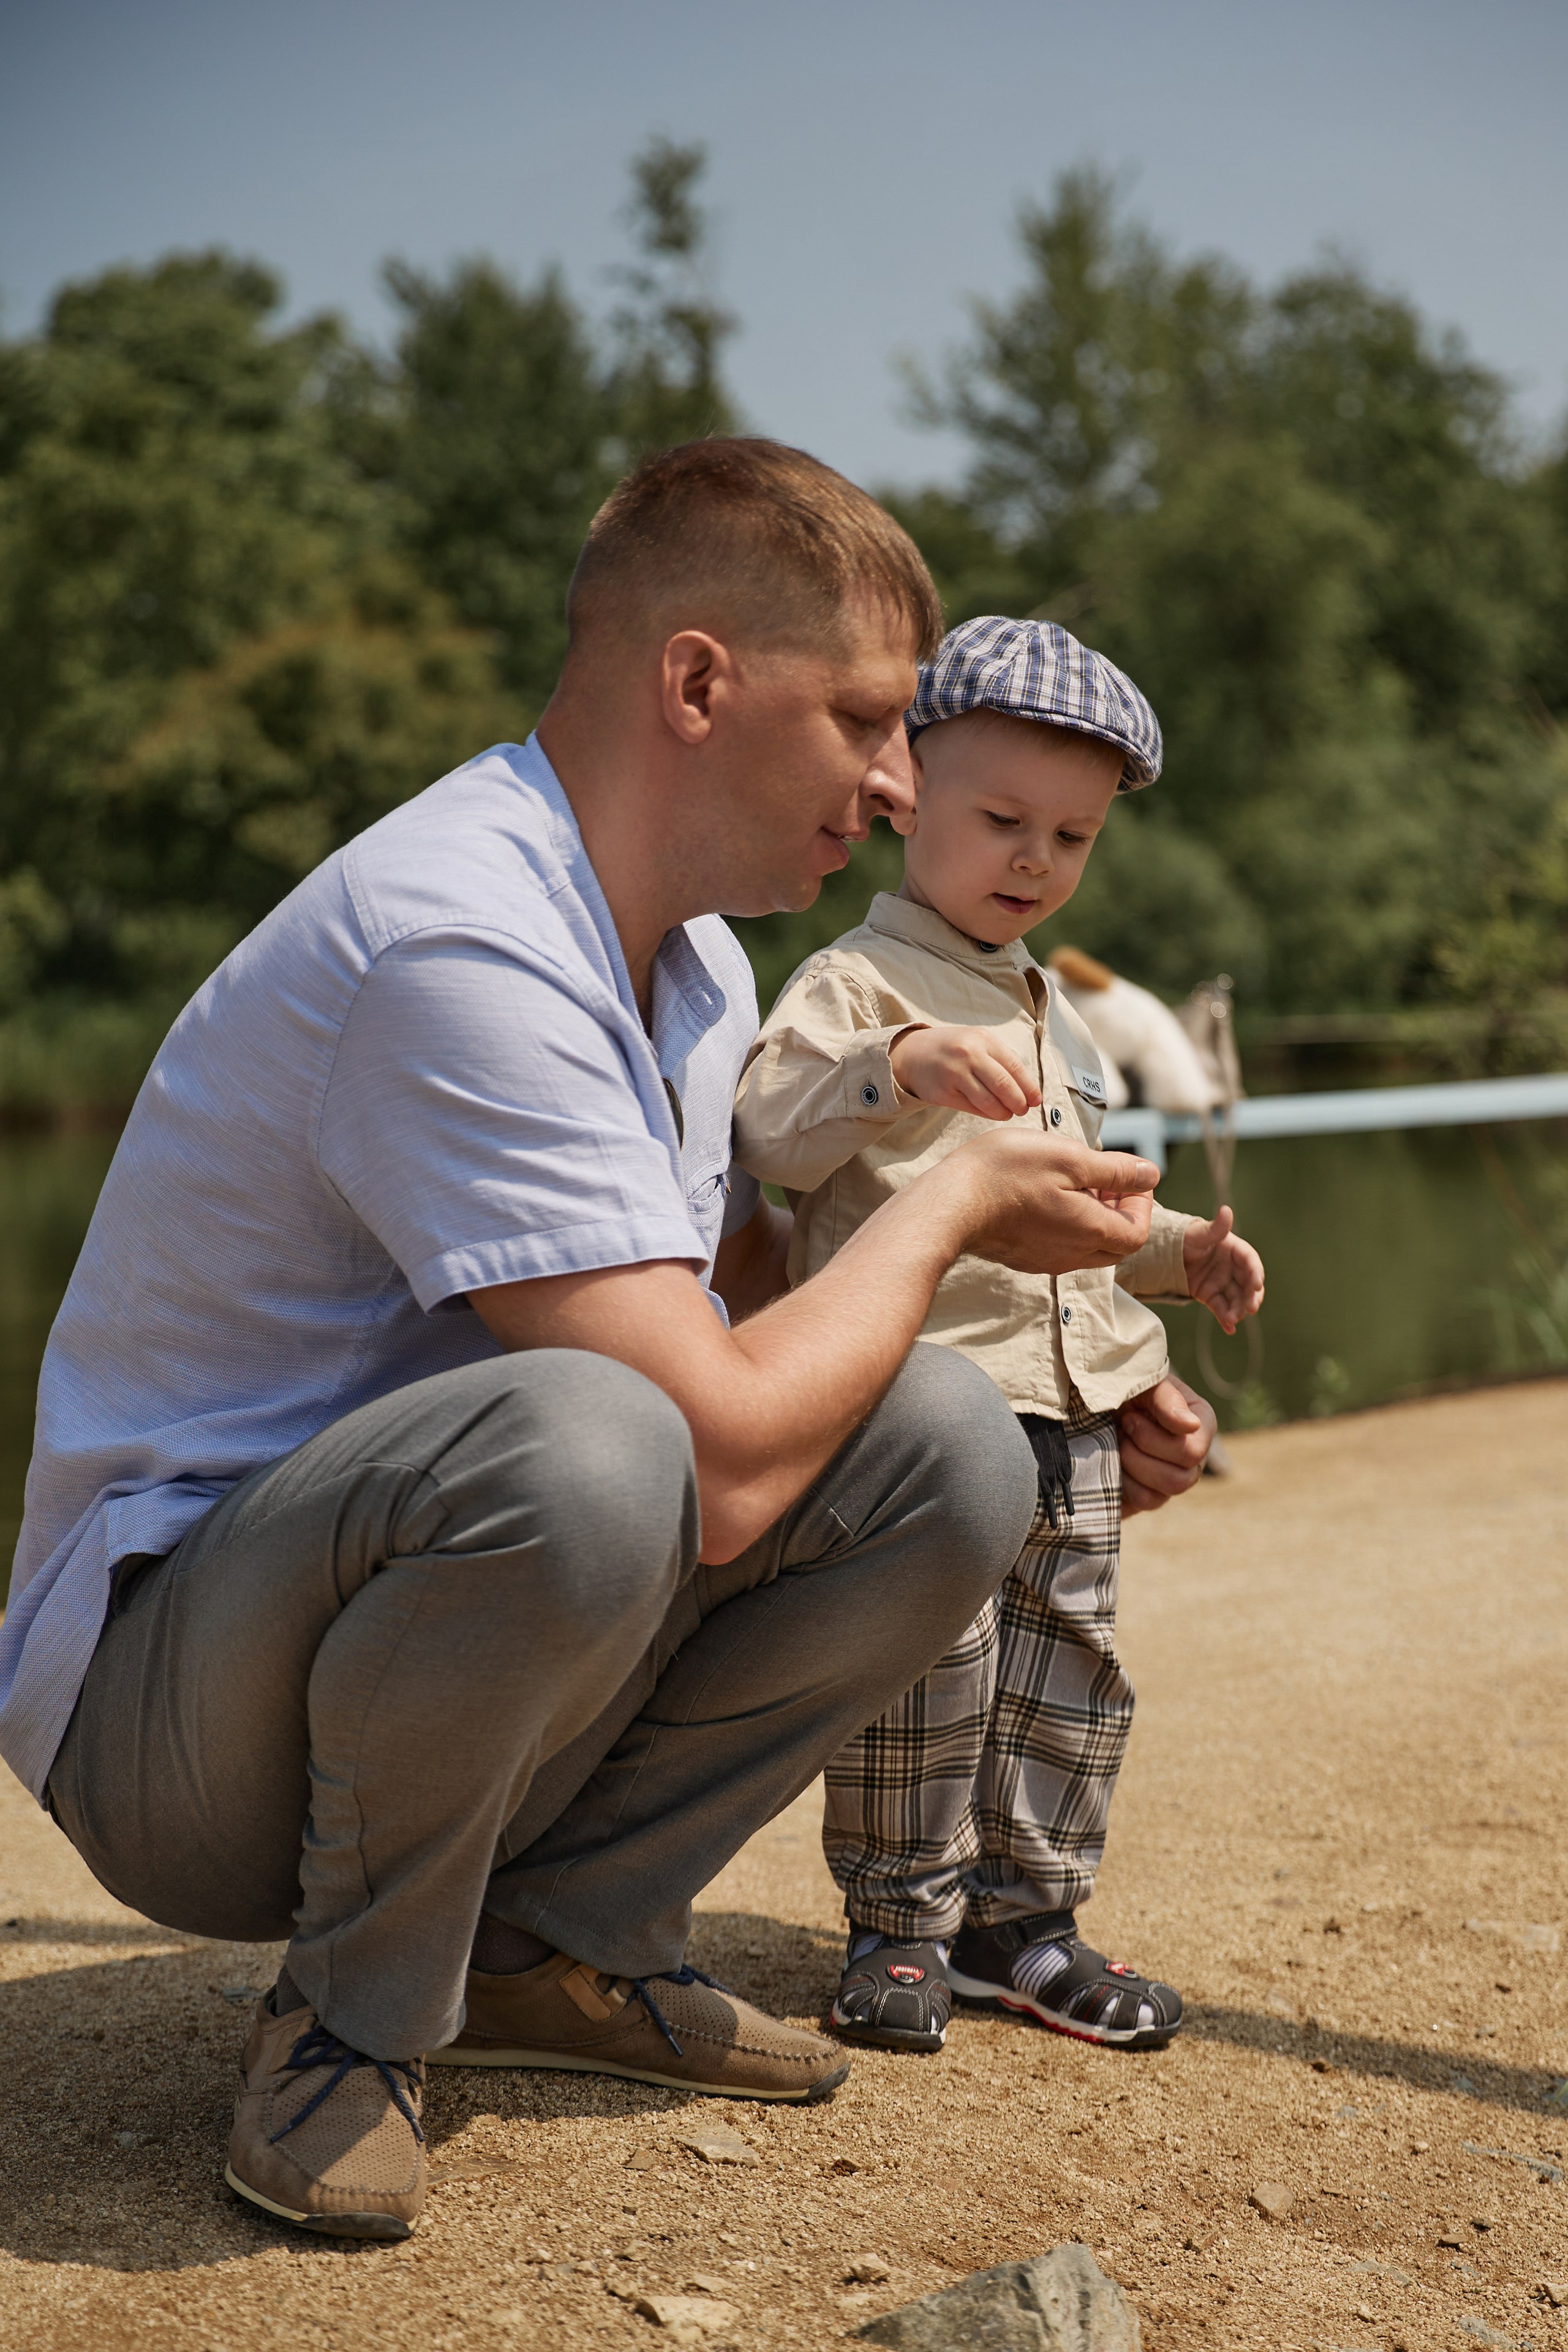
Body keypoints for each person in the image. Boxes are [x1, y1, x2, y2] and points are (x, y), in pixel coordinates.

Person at [0, 447, 1211, 2246]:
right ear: (700, 682)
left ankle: (548, 1948)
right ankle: (350, 2020)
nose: (899, 788)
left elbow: (749, 1357)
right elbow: (707, 1459)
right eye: (870, 722)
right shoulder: (459, 934)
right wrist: (946, 1205)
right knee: (599, 1441)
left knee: (944, 1441)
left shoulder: (705, 972)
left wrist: (1095, 1369)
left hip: (406, 1637)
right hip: (176, 1722)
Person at [732, 614, 1264, 2058]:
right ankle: (898, 1926)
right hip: (924, 1408)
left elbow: (1072, 1220)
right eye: (1001, 821)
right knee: (930, 1662)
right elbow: (772, 1136)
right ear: (903, 790)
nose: (1033, 860)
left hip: (1072, 1404)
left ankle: (1023, 1924)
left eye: (1070, 838)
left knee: (1067, 1657)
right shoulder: (859, 982)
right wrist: (889, 1066)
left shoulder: (1056, 1015)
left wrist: (1175, 1255)